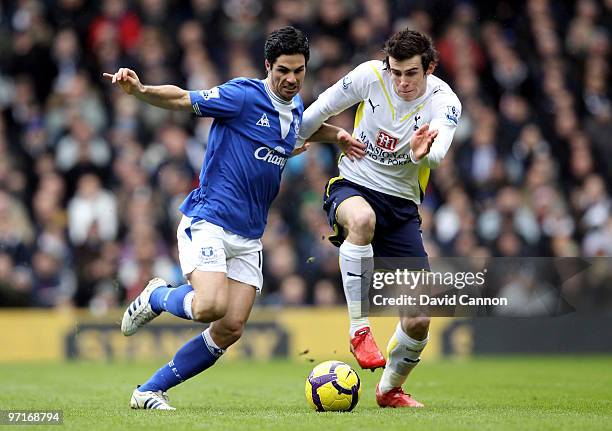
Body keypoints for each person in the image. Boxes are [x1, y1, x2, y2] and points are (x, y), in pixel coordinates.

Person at [104, 26, 362, 411]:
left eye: (299, 71)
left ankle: (148, 392)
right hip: (209, 219)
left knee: (230, 328)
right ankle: (157, 295)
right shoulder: (242, 95)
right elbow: (182, 99)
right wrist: (141, 91)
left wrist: (336, 136)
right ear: (267, 66)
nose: (291, 79)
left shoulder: (295, 112)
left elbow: (295, 136)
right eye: (283, 71)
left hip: (249, 236)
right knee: (209, 306)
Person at [299, 29, 462, 408]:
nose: (402, 82)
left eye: (411, 74)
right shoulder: (370, 76)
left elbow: (439, 154)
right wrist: (289, 141)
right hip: (353, 186)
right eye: (396, 72)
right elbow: (320, 108)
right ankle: (360, 330)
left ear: (430, 68)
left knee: (419, 317)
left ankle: (389, 390)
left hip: (403, 209)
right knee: (362, 220)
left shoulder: (444, 101)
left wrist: (424, 153)